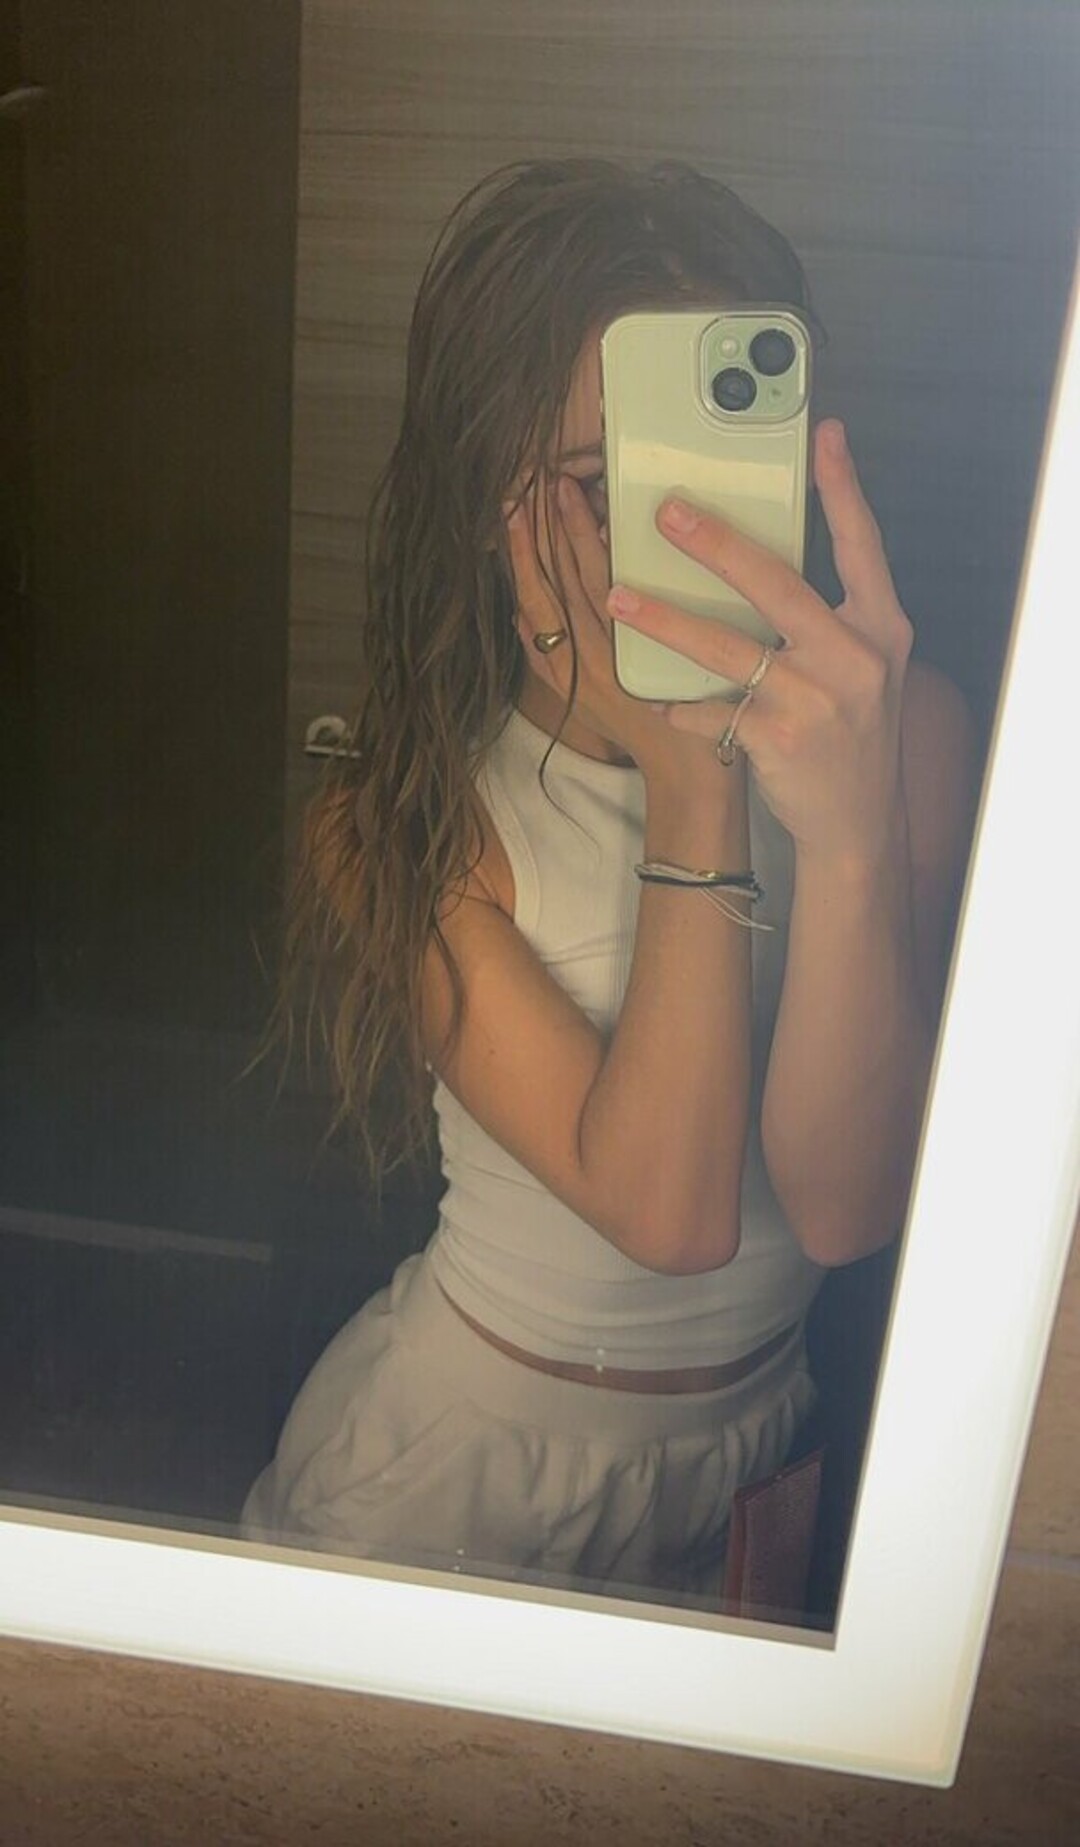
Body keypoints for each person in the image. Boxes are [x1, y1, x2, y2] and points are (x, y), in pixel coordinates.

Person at [240, 159, 976, 1601]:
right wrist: (695, 780)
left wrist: (847, 834)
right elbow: (673, 1213)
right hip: (458, 1466)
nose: (678, 537)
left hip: (747, 1461)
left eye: (711, 475)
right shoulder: (405, 821)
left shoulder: (911, 740)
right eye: (603, 486)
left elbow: (842, 1213)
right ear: (490, 501)